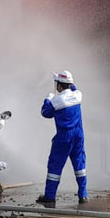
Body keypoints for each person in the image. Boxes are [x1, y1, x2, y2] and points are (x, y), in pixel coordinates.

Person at [37, 70, 87, 208]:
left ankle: (50, 197)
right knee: (80, 165)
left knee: (55, 166)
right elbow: (73, 88)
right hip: (78, 136)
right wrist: (66, 81)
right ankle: (83, 195)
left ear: (59, 85)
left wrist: (47, 99)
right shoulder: (78, 95)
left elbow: (45, 113)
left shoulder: (57, 100)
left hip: (64, 137)